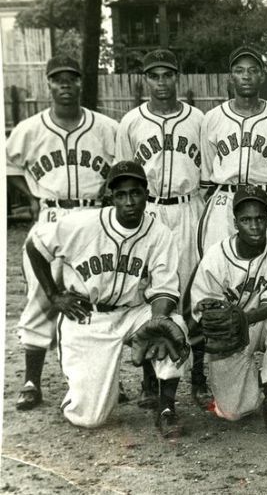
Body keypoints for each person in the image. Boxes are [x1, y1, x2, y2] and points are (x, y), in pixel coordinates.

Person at [24, 161, 189, 437]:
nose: (129, 201)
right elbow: (35, 244)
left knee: (174, 325)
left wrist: (159, 319)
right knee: (89, 417)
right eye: (121, 195)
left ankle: (167, 409)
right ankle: (85, 390)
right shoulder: (82, 224)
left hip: (133, 312)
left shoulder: (159, 233)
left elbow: (165, 289)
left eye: (135, 193)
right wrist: (54, 295)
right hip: (88, 316)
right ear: (110, 197)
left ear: (146, 195)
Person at [7, 55, 118, 411]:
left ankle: (97, 378)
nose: (65, 85)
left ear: (81, 83)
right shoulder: (29, 129)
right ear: (48, 85)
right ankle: (31, 381)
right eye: (58, 80)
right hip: (52, 214)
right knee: (42, 296)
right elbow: (8, 168)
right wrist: (35, 198)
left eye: (71, 79)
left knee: (94, 295)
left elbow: (122, 170)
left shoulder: (105, 127)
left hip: (91, 215)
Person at [115, 48, 211, 408]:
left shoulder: (198, 120)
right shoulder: (131, 122)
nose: (161, 82)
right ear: (145, 79)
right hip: (149, 209)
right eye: (154, 75)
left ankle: (199, 378)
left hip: (189, 207)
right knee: (147, 293)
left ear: (177, 77)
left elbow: (210, 173)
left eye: (167, 75)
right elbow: (123, 173)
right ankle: (149, 382)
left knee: (193, 294)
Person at [189, 185, 267, 435]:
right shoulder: (216, 256)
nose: (254, 226)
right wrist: (211, 315)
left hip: (264, 319)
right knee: (233, 412)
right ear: (235, 222)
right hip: (232, 334)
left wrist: (245, 317)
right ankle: (260, 381)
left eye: (260, 219)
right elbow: (201, 310)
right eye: (246, 220)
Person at [198, 45, 267, 253]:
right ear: (230, 77)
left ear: (262, 76)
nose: (246, 76)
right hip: (226, 200)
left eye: (253, 70)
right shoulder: (213, 118)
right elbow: (207, 174)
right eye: (239, 70)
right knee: (218, 265)